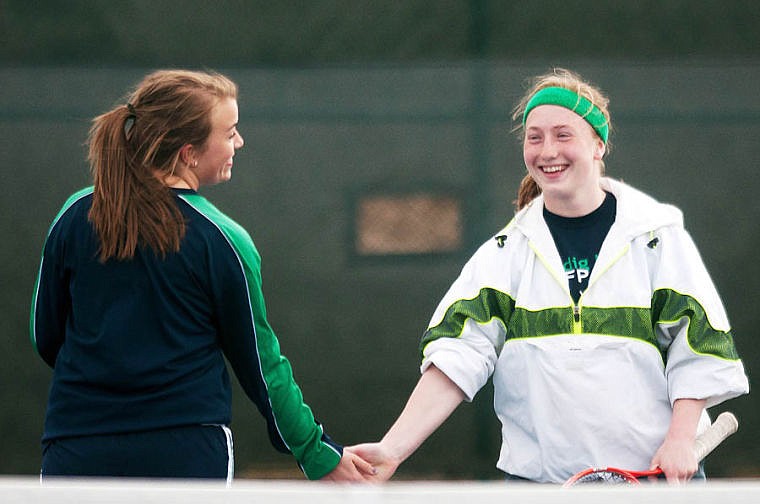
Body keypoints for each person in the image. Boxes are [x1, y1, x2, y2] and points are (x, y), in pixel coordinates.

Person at [347, 68, 749, 484]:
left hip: (656, 484)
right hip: (538, 486)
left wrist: (682, 440)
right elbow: (455, 359)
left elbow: (698, 347)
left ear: (598, 144)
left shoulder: (657, 239)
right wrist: (392, 448)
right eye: (534, 137)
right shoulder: (504, 255)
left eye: (563, 135)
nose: (547, 150)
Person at [30, 69, 373, 483]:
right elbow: (263, 368)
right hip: (187, 453)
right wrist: (316, 453)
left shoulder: (72, 216)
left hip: (76, 446)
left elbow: (45, 335)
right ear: (189, 153)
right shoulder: (225, 241)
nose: (239, 142)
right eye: (230, 133)